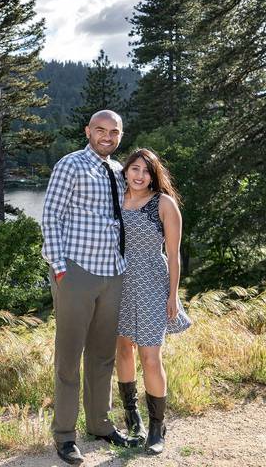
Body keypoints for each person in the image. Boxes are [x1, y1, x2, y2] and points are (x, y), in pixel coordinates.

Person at [42, 110, 140, 466]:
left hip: (113, 273)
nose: (107, 136)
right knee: (69, 356)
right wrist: (60, 267)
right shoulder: (71, 165)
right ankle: (65, 436)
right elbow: (51, 214)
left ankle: (100, 423)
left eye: (114, 132)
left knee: (102, 355)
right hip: (77, 272)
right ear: (88, 131)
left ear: (120, 135)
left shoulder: (118, 171)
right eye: (100, 130)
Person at [114, 148, 191, 455]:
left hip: (151, 284)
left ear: (154, 175)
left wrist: (173, 295)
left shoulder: (164, 204)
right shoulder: (115, 200)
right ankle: (133, 420)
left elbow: (173, 255)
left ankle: (157, 427)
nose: (139, 175)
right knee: (122, 349)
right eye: (134, 168)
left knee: (149, 356)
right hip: (118, 281)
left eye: (146, 171)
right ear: (126, 171)